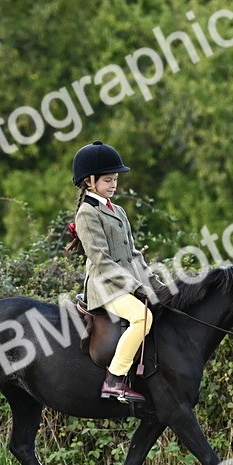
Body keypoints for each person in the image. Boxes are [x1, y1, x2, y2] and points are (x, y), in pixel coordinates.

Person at [70, 140, 165, 403]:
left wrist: (156, 285)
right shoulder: (87, 214)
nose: (114, 185)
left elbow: (134, 255)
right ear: (90, 181)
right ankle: (114, 379)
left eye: (115, 180)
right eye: (108, 180)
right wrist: (135, 287)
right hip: (104, 286)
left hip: (125, 282)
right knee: (142, 317)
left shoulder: (119, 211)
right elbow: (101, 259)